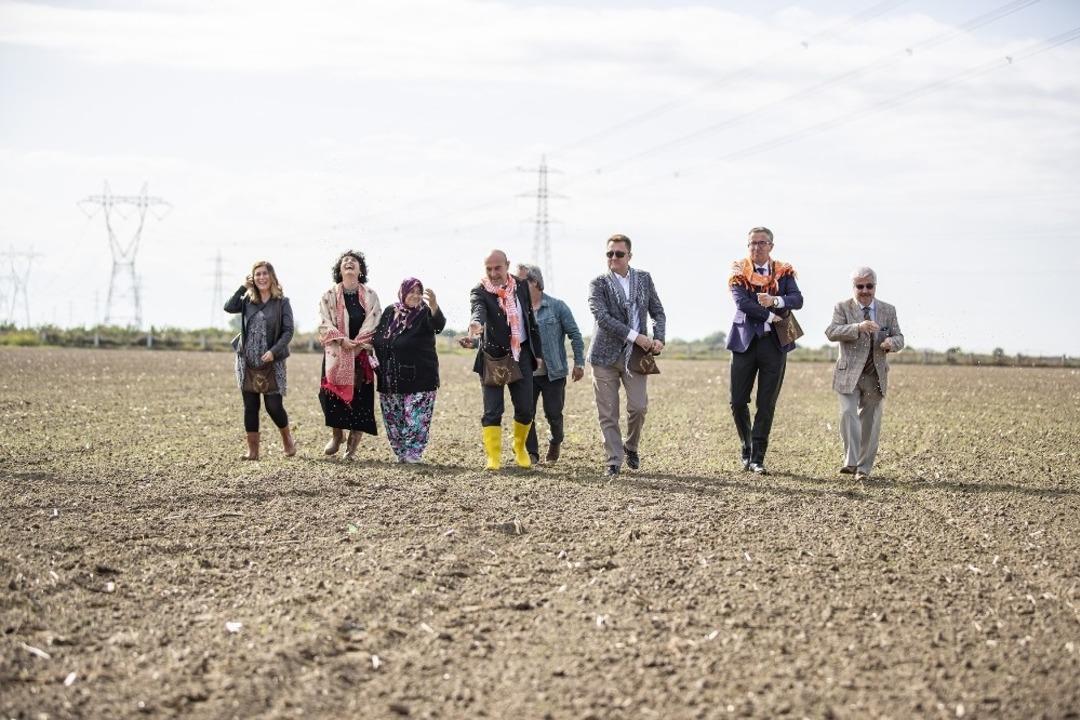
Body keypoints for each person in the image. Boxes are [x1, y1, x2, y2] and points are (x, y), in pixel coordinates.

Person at [586, 234, 666, 477]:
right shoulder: (598, 283)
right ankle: (613, 460)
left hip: (636, 356)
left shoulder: (644, 278)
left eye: (619, 254)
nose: (613, 258)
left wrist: (659, 337)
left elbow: (658, 311)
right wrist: (636, 336)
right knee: (608, 411)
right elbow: (603, 318)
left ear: (629, 256)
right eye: (609, 253)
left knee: (638, 407)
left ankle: (630, 446)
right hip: (603, 356)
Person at [726, 226, 803, 474]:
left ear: (771, 246)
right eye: (752, 243)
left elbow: (797, 299)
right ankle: (746, 445)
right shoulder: (739, 270)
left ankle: (758, 457)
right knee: (737, 401)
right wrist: (771, 316)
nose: (756, 247)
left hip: (774, 345)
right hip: (745, 342)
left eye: (762, 243)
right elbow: (742, 302)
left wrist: (777, 301)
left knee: (766, 403)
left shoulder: (783, 271)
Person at [460, 250, 544, 470]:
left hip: (521, 354)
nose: (493, 273)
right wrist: (475, 325)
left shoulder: (521, 286)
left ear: (507, 265)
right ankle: (493, 456)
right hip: (493, 357)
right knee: (493, 410)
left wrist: (538, 354)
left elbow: (530, 320)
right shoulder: (480, 290)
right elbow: (477, 310)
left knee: (526, 408)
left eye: (497, 268)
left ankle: (520, 447)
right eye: (488, 269)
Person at [825, 267, 905, 481]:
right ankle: (850, 462)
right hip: (848, 373)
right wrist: (857, 327)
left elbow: (899, 337)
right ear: (854, 287)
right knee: (848, 414)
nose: (865, 290)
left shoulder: (888, 310)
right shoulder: (842, 307)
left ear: (875, 286)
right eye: (860, 286)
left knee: (870, 422)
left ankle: (863, 469)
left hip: (875, 375)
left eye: (869, 286)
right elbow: (831, 332)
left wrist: (891, 343)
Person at [224, 261, 296, 461]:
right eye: (257, 275)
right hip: (246, 360)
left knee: (273, 405)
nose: (261, 277)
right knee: (250, 405)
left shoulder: (282, 302)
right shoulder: (247, 300)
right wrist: (243, 287)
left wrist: (274, 351)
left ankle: (287, 438)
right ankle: (253, 451)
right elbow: (228, 307)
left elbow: (288, 331)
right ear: (252, 279)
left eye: (265, 274)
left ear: (272, 276)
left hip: (272, 360)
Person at [514, 263, 585, 465]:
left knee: (553, 414)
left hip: (554, 373)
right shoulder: (516, 309)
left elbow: (575, 335)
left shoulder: (557, 307)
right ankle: (532, 453)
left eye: (520, 281)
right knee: (526, 413)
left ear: (534, 282)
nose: (516, 285)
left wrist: (579, 363)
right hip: (526, 372)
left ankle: (555, 441)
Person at [372, 278, 446, 463]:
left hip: (420, 378)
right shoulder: (390, 312)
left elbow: (438, 326)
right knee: (393, 420)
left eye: (418, 291)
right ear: (402, 292)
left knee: (415, 419)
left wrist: (435, 306)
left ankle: (413, 454)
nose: (415, 295)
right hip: (390, 378)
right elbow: (379, 337)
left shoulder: (425, 313)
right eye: (411, 291)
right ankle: (401, 454)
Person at [318, 250, 382, 461]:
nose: (349, 263)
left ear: (360, 270)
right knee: (331, 398)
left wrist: (357, 344)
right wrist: (341, 340)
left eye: (354, 261)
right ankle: (337, 436)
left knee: (361, 404)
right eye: (345, 261)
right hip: (336, 353)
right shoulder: (328, 295)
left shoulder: (371, 295)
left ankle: (351, 450)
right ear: (339, 270)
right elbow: (324, 322)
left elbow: (374, 321)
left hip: (361, 353)